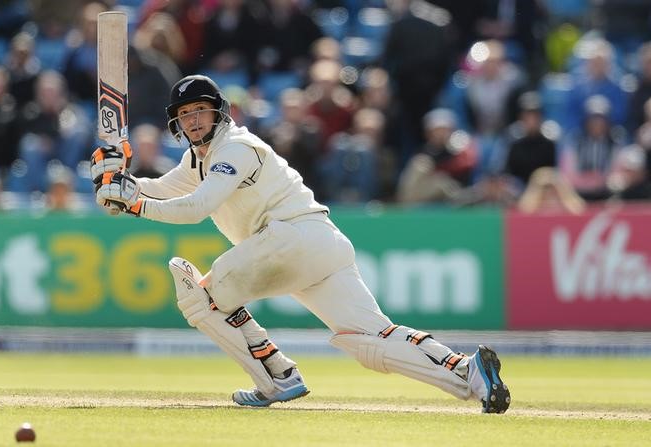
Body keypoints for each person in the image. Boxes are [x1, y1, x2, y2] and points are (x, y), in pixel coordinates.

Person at [90, 74, 511, 413]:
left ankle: (278, 377)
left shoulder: (236, 148)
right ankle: (469, 372)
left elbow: (195, 208)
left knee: (201, 299)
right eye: (184, 114)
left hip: (289, 238)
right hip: (316, 243)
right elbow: (161, 189)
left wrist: (134, 206)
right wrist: (117, 183)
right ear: (176, 122)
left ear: (219, 112)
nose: (193, 120)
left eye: (200, 110)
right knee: (371, 341)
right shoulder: (196, 159)